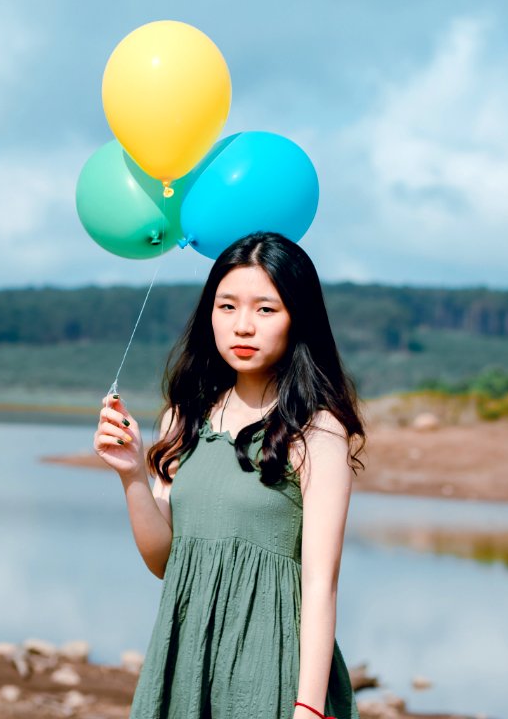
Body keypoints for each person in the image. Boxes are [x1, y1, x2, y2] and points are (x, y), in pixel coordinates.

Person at [94, 231, 366, 719]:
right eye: (227, 306)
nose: (243, 326)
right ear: (209, 315)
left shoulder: (317, 432)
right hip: (184, 659)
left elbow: (321, 587)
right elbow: (165, 561)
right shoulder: (184, 415)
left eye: (266, 309)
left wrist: (308, 707)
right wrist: (133, 473)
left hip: (272, 670)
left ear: (296, 318)